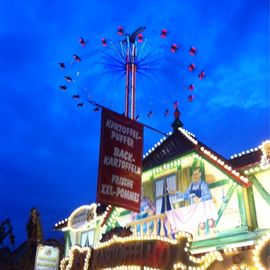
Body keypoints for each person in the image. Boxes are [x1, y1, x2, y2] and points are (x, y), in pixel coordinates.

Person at [170, 167, 216, 235]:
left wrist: (200, 199)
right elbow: (185, 195)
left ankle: (213, 236)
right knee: (201, 224)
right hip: (198, 207)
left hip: (205, 206)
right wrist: (176, 192)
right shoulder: (191, 185)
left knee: (210, 222)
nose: (195, 176)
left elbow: (208, 196)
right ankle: (203, 238)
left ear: (200, 174)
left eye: (196, 174)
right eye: (193, 174)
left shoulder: (203, 184)